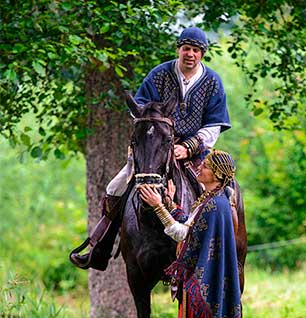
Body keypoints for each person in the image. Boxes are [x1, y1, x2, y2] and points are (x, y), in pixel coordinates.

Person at [70, 26, 231, 270]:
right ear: (178, 49)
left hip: (196, 150)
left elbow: (214, 125)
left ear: (202, 54)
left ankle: (223, 252)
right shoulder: (159, 74)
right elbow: (138, 109)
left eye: (196, 50)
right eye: (186, 48)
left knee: (226, 192)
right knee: (116, 186)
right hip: (155, 147)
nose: (190, 54)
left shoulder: (212, 82)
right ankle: (99, 247)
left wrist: (187, 147)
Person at [139, 149, 241, 318]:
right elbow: (189, 223)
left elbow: (183, 234)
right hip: (196, 283)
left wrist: (158, 206)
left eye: (205, 166)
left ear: (216, 174)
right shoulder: (210, 200)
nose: (200, 169)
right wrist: (172, 204)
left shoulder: (215, 205)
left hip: (200, 285)